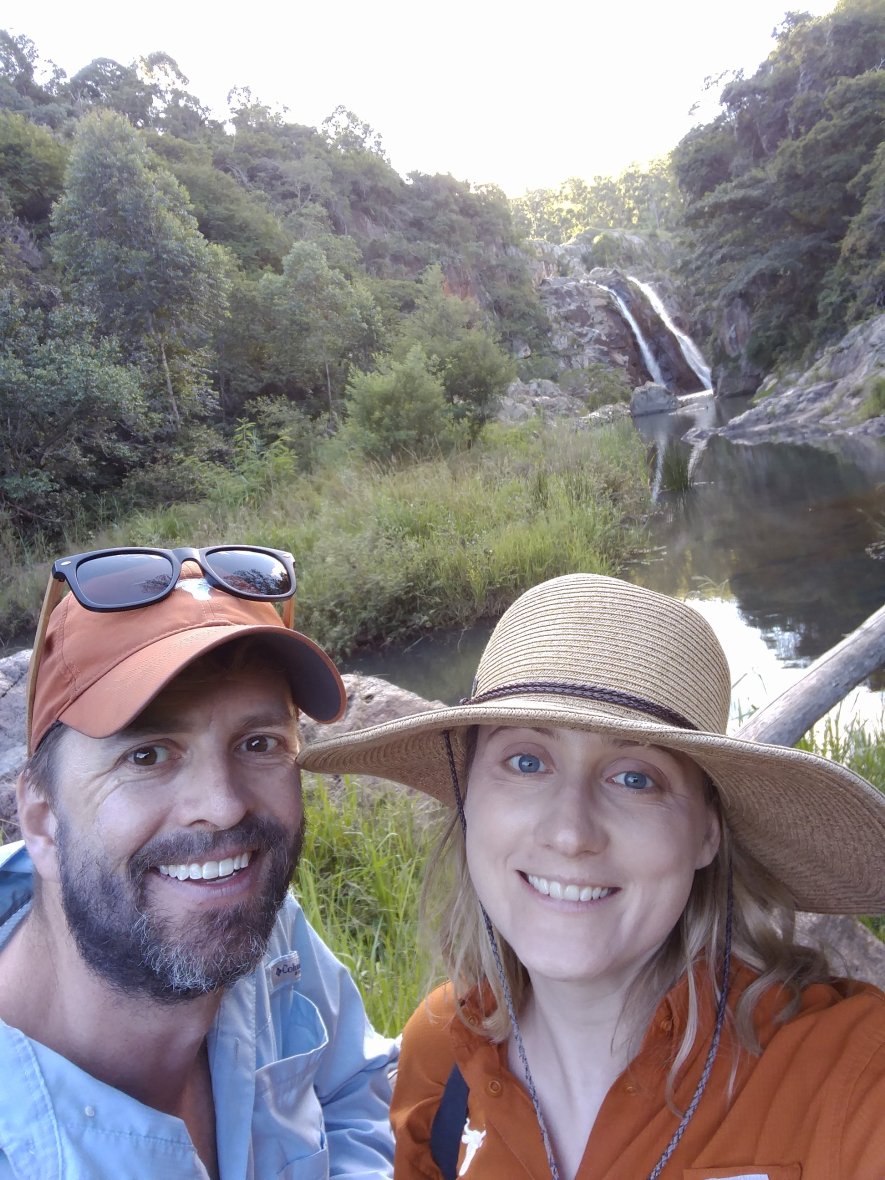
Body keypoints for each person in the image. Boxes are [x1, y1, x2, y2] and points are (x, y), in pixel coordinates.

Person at [300, 572, 885, 1180]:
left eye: (635, 778)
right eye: (527, 762)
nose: (571, 833)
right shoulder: (440, 1056)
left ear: (707, 833)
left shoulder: (852, 1077)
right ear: (467, 797)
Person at [0, 544, 397, 1179]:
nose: (224, 807)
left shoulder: (258, 919)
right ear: (44, 821)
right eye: (147, 755)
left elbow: (357, 1087)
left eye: (259, 743)